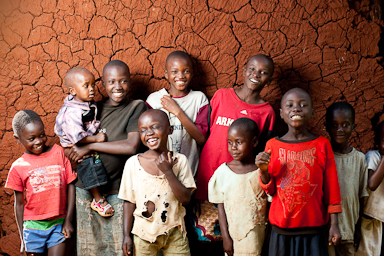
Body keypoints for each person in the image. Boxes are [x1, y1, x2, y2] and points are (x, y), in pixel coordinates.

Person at [194, 54, 276, 248]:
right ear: (244, 70)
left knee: (239, 240)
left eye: (263, 73)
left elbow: (262, 150)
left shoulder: (267, 112)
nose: (256, 74)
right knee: (206, 240)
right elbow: (203, 134)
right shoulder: (222, 95)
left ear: (270, 80)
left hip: (240, 188)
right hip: (209, 178)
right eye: (252, 69)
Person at [67, 60, 147, 255]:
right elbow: (74, 141)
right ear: (102, 83)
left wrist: (91, 146)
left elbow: (131, 146)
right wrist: (77, 152)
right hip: (86, 190)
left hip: (117, 190)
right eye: (111, 82)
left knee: (119, 247)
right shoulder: (92, 108)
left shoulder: (136, 107)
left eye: (123, 81)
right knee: (90, 248)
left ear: (129, 82)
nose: (117, 87)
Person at [256, 88, 342, 256]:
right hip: (281, 231)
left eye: (303, 105)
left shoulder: (322, 145)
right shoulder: (272, 146)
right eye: (290, 105)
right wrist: (264, 171)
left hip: (315, 231)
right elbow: (270, 190)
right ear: (281, 113)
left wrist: (334, 225)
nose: (296, 108)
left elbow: (332, 188)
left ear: (312, 112)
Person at [118, 109, 196, 256]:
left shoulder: (180, 161)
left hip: (175, 232)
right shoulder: (133, 164)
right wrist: (126, 235)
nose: (149, 133)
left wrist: (168, 171)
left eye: (155, 127)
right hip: (143, 234)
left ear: (170, 129)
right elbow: (128, 202)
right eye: (143, 130)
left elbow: (186, 199)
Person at [5, 110, 77, 255]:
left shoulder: (58, 152)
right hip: (32, 228)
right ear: (18, 138)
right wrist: (22, 238)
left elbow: (71, 185)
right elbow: (19, 204)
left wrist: (68, 220)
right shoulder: (18, 167)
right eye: (31, 139)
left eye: (42, 135)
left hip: (58, 224)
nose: (39, 141)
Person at [55, 67, 113, 217]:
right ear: (73, 91)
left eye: (93, 85)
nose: (92, 89)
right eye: (86, 86)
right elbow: (77, 138)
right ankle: (98, 199)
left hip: (83, 136)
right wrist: (96, 138)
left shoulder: (83, 102)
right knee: (87, 163)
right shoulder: (72, 112)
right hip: (74, 143)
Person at [208, 118, 267, 256]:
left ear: (254, 142)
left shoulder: (261, 172)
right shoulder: (223, 172)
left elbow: (269, 205)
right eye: (230, 142)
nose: (233, 147)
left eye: (239, 142)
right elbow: (220, 208)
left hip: (258, 238)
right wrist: (226, 238)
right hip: (234, 239)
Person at [146, 50, 209, 177]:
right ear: (166, 74)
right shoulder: (154, 100)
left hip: (189, 172)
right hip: (160, 172)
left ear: (192, 73)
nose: (181, 76)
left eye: (186, 71)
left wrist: (177, 111)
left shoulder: (199, 99)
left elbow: (202, 139)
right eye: (174, 71)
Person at [325, 102, 368, 256]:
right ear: (326, 127)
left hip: (350, 229)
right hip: (326, 231)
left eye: (345, 125)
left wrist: (358, 229)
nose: (339, 130)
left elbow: (361, 196)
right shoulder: (323, 156)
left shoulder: (360, 159)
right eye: (334, 125)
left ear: (354, 126)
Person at [356, 121, 384, 256]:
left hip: (379, 221)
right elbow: (372, 184)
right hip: (367, 220)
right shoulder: (373, 156)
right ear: (377, 143)